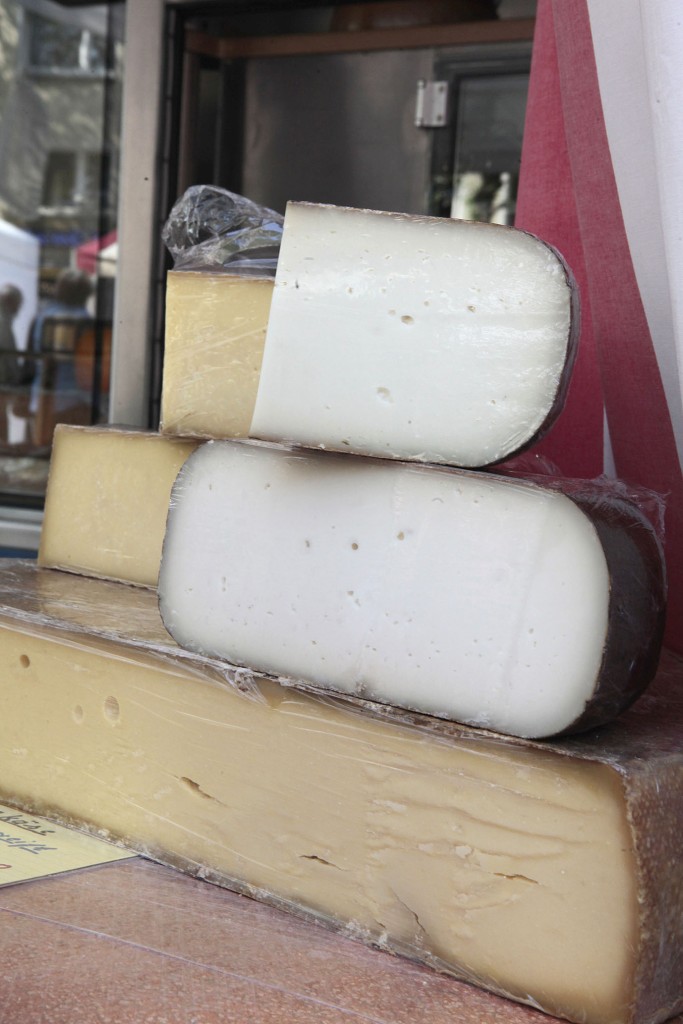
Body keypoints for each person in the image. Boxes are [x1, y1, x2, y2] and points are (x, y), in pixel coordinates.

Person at [0, 283, 24, 445]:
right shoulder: (2, 322)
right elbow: (9, 357)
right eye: (17, 304)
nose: (18, 309)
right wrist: (18, 381)